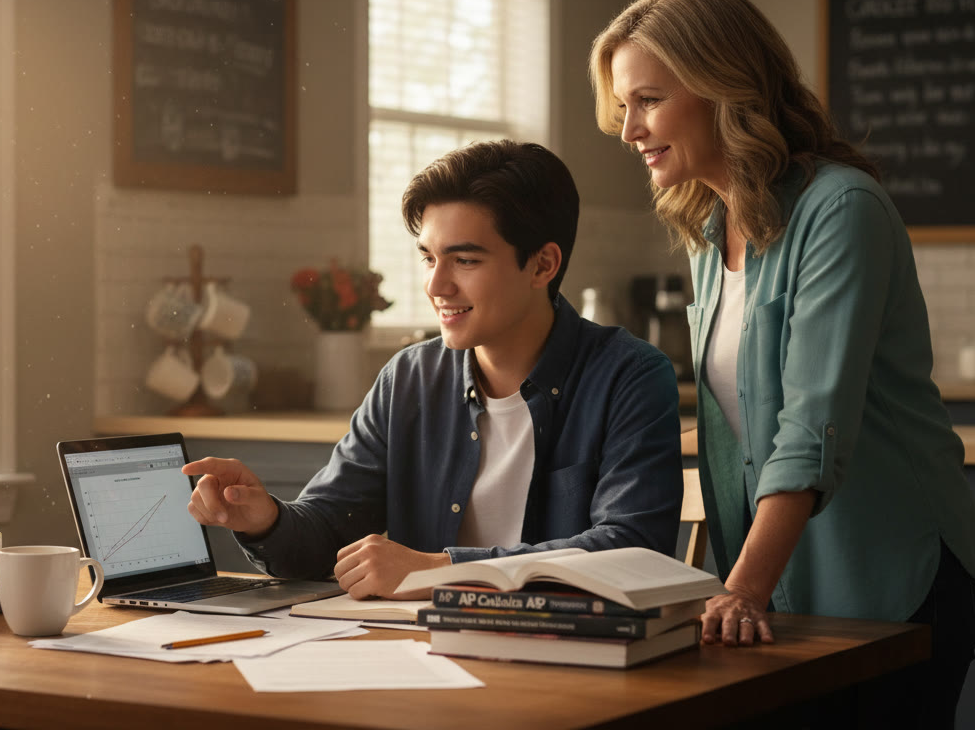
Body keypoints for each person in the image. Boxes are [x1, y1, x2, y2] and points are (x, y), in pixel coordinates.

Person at [589, 0, 975, 726]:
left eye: (648, 100)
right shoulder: (710, 232)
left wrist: (742, 588)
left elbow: (811, 421)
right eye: (623, 106)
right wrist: (733, 586)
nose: (628, 128)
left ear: (721, 86)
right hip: (780, 585)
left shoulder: (841, 208)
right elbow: (738, 438)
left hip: (889, 575)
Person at [184, 140, 683, 600]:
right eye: (428, 258)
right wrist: (265, 519)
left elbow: (630, 550)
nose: (436, 286)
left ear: (542, 265)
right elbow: (329, 530)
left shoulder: (629, 376)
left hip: (567, 661)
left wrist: (438, 568)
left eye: (464, 260)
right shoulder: (409, 379)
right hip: (421, 656)